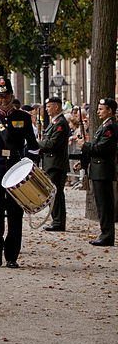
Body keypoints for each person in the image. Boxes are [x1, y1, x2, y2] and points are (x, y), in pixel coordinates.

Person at [0, 66, 40, 267]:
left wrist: (28, 168)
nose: (3, 100)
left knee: (15, 215)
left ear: (12, 96)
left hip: (16, 170)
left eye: (6, 96)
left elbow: (33, 146)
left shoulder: (23, 117)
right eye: (0, 97)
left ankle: (12, 255)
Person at [78, 98, 117, 246]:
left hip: (103, 170)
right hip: (98, 169)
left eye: (101, 109)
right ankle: (105, 233)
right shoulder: (105, 125)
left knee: (105, 204)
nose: (98, 112)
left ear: (110, 110)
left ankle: (107, 235)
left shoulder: (110, 127)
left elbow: (102, 149)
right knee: (101, 204)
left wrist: (84, 145)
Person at [38, 96, 70, 232]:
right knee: (53, 193)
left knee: (56, 194)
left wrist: (37, 144)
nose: (47, 109)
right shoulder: (55, 122)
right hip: (51, 163)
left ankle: (58, 221)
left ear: (56, 107)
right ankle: (56, 219)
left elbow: (53, 143)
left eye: (49, 106)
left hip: (56, 164)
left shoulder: (60, 123)